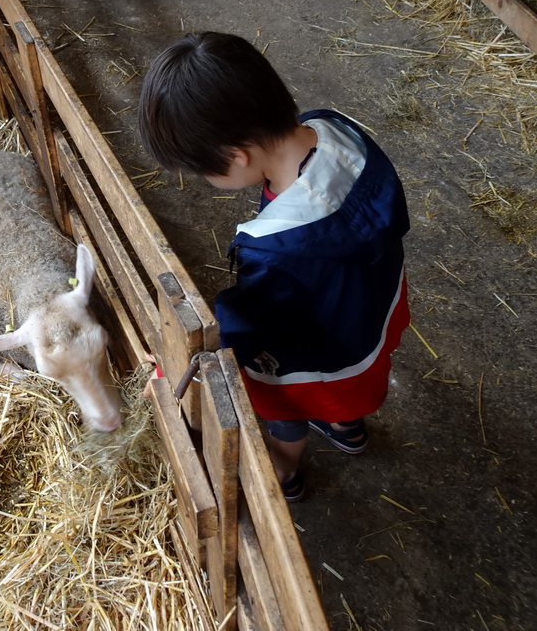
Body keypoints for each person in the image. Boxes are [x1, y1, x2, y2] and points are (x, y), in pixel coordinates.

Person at [138, 31, 410, 502]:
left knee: (282, 408)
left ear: (237, 156)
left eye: (205, 171)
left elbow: (244, 329)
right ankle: (346, 427)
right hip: (370, 319)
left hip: (316, 361)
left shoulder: (279, 249)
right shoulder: (338, 132)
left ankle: (285, 473)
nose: (205, 181)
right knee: (342, 400)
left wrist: (175, 365)